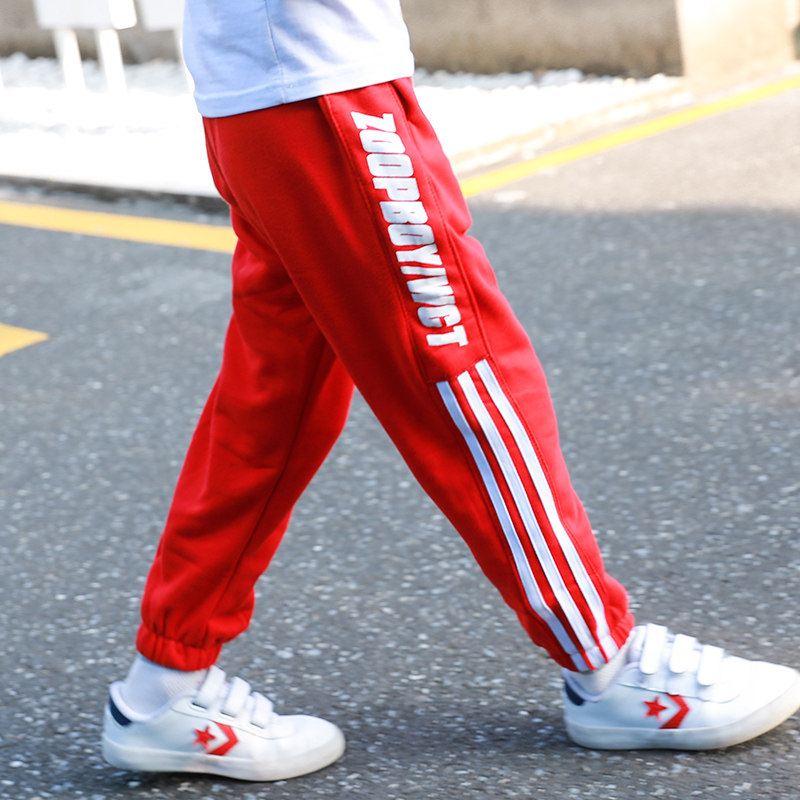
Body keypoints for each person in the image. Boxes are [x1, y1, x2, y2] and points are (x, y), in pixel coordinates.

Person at [101, 0, 800, 781]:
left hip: (272, 91)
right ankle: (607, 665)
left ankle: (166, 682)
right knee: (462, 363)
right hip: (318, 85)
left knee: (278, 399)